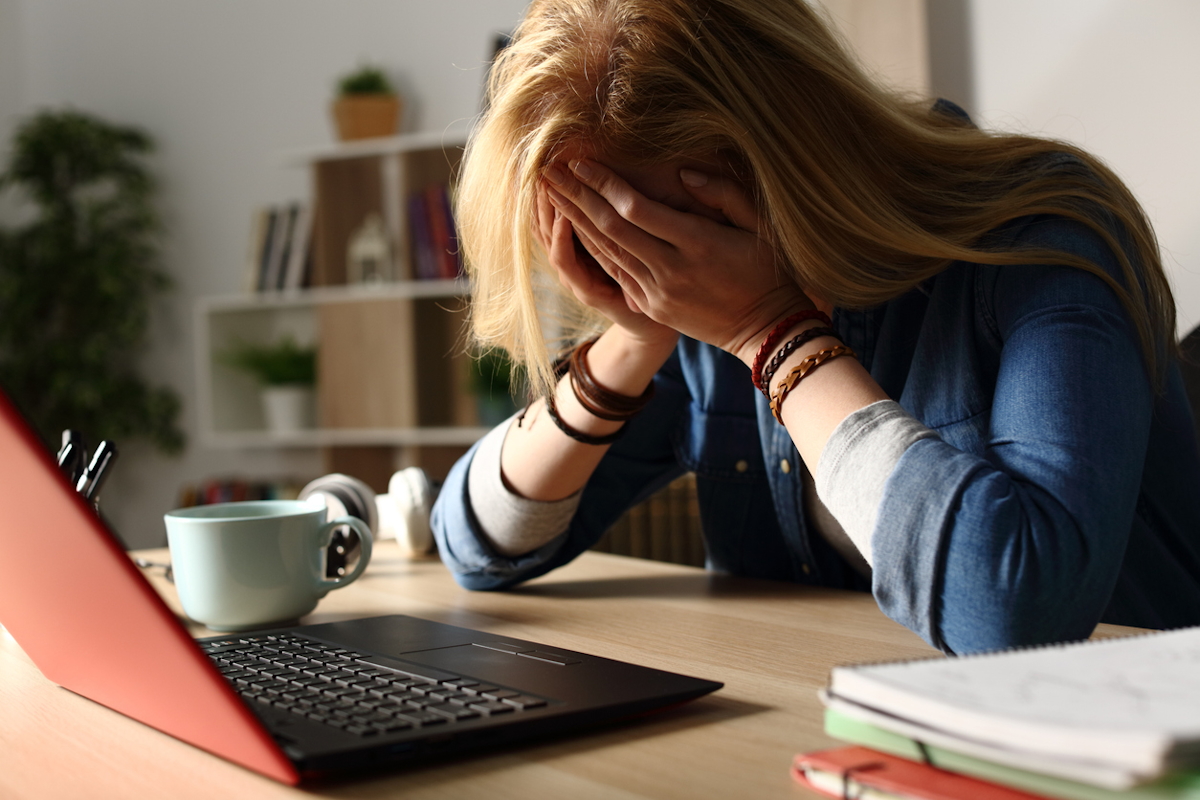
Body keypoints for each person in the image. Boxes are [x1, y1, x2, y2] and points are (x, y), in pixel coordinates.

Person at [430, 0, 1200, 655]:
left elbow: (1017, 607)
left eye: (664, 236)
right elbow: (478, 544)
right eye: (613, 245)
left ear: (792, 154)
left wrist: (771, 330)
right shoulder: (689, 306)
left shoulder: (1044, 228)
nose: (659, 271)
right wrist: (634, 337)